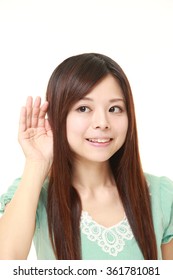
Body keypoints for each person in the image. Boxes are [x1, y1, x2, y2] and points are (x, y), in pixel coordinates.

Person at [0, 53, 173, 260]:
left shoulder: (162, 195)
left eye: (114, 108)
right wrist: (36, 163)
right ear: (57, 116)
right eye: (83, 108)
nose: (102, 122)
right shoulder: (33, 192)